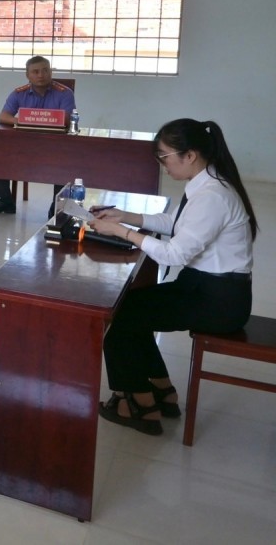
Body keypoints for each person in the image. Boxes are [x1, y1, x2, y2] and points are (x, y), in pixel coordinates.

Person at [87, 119, 256, 436]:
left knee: (122, 316)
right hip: (205, 287)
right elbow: (176, 224)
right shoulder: (205, 184)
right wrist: (126, 217)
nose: (163, 166)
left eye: (164, 157)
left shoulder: (212, 196)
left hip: (219, 301)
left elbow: (175, 254)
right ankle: (162, 391)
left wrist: (120, 232)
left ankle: (140, 406)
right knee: (130, 307)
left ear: (189, 155)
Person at [0, 56, 75, 215]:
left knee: (65, 160)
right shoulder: (18, 93)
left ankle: (58, 206)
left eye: (45, 70)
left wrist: (35, 120)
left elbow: (67, 120)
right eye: (35, 72)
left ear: (50, 72)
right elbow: (3, 117)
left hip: (55, 146)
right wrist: (25, 120)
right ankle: (5, 201)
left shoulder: (65, 93)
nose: (41, 75)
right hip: (25, 145)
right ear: (27, 75)